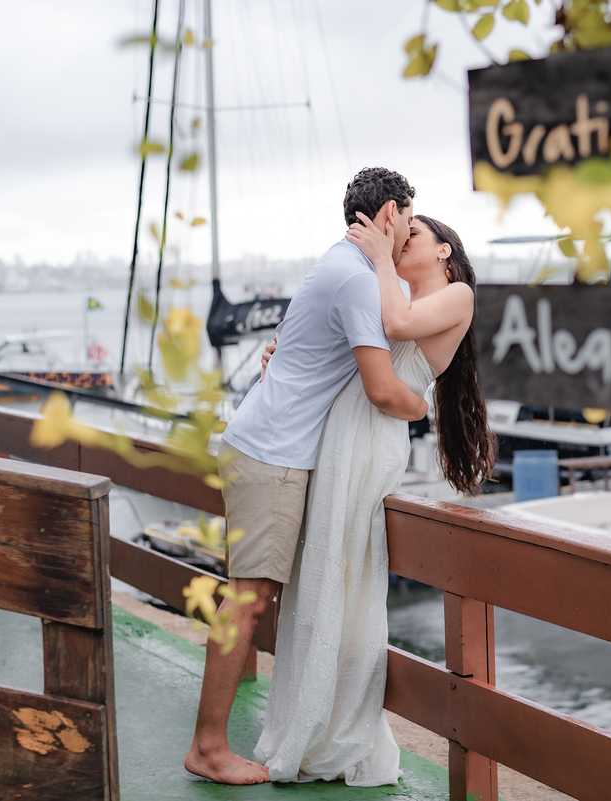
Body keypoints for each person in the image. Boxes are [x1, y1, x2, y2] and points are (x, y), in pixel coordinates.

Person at [184, 167, 429, 786]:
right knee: (250, 597)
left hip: (268, 446)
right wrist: (424, 406)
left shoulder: (341, 266)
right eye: (407, 223)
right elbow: (379, 388)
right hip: (273, 455)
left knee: (254, 595)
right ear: (391, 214)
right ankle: (208, 748)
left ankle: (217, 742)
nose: (405, 242)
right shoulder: (355, 278)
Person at [251, 212, 495, 784]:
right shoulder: (398, 291)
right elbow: (350, 352)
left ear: (443, 252)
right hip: (342, 438)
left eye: (412, 237)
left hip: (369, 443)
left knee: (352, 580)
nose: (398, 242)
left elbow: (398, 324)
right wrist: (280, 357)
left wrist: (382, 258)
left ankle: (339, 732)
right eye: (397, 235)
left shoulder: (456, 294)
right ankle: (305, 722)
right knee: (320, 575)